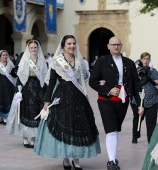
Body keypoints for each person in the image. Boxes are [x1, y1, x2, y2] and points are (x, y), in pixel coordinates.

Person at [34, 35, 101, 170]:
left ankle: (76, 159)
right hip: (62, 97)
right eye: (69, 43)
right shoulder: (57, 61)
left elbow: (85, 77)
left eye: (73, 43)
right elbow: (51, 82)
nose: (72, 46)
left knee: (77, 126)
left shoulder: (80, 61)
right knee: (64, 126)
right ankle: (65, 158)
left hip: (79, 98)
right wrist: (47, 100)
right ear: (64, 45)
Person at [89, 37, 144, 170]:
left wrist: (139, 104)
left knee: (116, 129)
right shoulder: (101, 61)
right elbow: (93, 81)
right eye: (113, 44)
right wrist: (108, 90)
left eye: (118, 44)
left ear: (121, 46)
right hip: (105, 100)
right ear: (108, 46)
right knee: (111, 129)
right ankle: (111, 161)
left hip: (122, 100)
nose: (116, 47)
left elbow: (136, 84)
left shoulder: (129, 63)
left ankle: (112, 157)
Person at [7, 40, 48, 148]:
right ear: (28, 49)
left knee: (36, 113)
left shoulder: (42, 61)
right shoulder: (25, 60)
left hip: (38, 89)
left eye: (35, 47)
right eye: (32, 48)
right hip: (26, 88)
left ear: (38, 48)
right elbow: (20, 77)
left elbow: (44, 77)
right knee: (25, 112)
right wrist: (18, 91)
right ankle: (25, 137)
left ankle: (34, 138)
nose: (34, 49)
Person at [131, 52, 158, 144]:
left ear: (149, 60)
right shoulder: (136, 70)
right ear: (141, 60)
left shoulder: (153, 71)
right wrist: (140, 73)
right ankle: (135, 136)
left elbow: (157, 82)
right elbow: (134, 82)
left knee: (151, 121)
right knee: (137, 118)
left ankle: (151, 141)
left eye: (147, 59)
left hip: (152, 99)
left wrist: (148, 75)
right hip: (138, 100)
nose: (146, 60)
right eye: (144, 59)